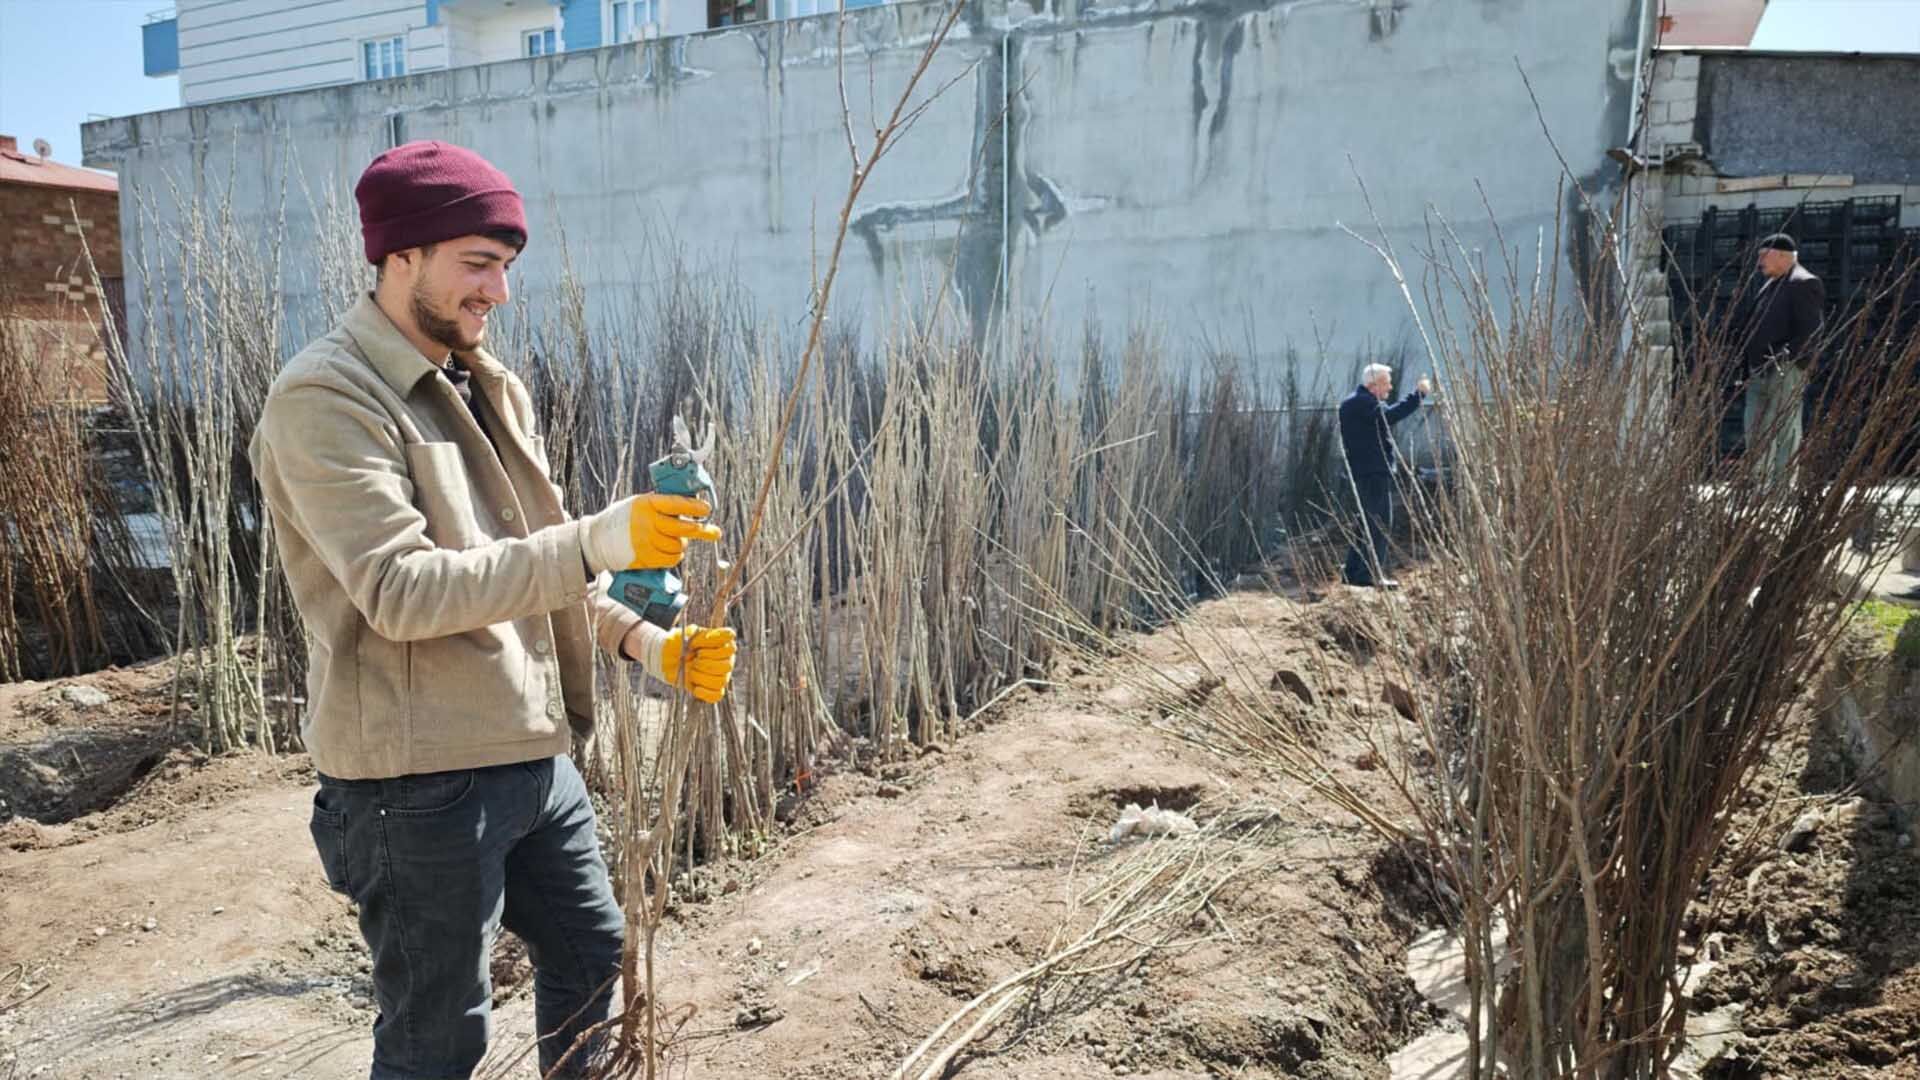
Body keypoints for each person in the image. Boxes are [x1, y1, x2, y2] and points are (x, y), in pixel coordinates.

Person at [248, 140, 739, 1080]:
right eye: (477, 263)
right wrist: (597, 538)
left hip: (531, 750)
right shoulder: (325, 397)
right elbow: (401, 590)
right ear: (400, 256)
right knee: (438, 1040)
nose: (499, 292)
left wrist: (651, 645)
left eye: (506, 266)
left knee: (593, 957)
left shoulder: (489, 385)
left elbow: (537, 574)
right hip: (416, 784)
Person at [1741, 232, 1826, 481]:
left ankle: (1781, 491)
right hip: (1758, 371)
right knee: (1755, 431)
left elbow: (1812, 331)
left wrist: (1785, 360)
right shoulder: (1770, 284)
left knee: (1783, 432)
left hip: (1784, 371)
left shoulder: (1804, 283)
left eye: (1763, 256)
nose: (1759, 262)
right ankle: (1760, 488)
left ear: (1781, 255)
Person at [1338, 363, 1429, 589]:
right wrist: (1418, 395)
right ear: (1374, 384)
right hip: (1372, 471)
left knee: (1366, 522)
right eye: (1387, 383)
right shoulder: (1362, 402)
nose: (1390, 387)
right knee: (1379, 523)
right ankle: (1369, 575)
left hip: (1366, 471)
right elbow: (1390, 415)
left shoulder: (1358, 402)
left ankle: (1354, 573)